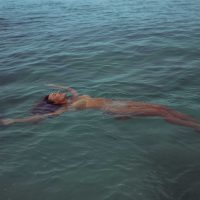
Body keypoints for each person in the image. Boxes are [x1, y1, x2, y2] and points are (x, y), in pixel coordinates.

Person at [1, 84, 200, 133]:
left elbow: (72, 89)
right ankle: (196, 128)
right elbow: (50, 115)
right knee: (160, 113)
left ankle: (196, 122)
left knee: (162, 106)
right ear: (57, 102)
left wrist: (56, 85)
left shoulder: (76, 97)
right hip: (116, 110)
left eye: (56, 92)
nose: (58, 92)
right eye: (55, 95)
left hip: (119, 103)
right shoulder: (69, 107)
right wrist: (14, 121)